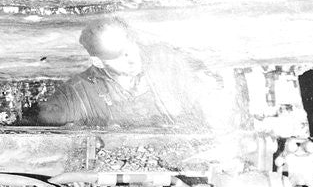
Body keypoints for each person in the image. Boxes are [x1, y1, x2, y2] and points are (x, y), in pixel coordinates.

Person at [29, 18, 235, 128]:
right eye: (118, 56)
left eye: (131, 48)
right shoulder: (80, 91)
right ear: (98, 61)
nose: (131, 59)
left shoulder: (165, 63)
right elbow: (45, 123)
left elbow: (208, 96)